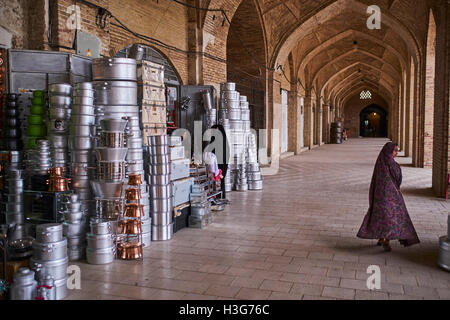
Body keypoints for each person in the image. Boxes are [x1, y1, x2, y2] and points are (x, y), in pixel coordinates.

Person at [357, 142, 420, 251]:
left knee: (381, 216)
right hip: (392, 196)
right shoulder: (392, 164)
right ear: (389, 152)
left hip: (379, 195)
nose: (396, 153)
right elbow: (398, 178)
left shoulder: (380, 163)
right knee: (391, 217)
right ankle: (386, 240)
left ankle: (381, 238)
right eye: (394, 151)